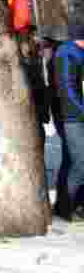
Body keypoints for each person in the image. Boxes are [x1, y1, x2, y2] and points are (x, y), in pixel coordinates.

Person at [54, 22, 84, 221]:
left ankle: (74, 204)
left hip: (78, 116)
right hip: (73, 118)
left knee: (72, 161)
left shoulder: (77, 53)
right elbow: (68, 88)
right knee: (81, 163)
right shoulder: (67, 53)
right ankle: (67, 206)